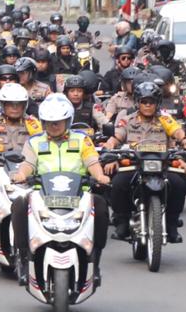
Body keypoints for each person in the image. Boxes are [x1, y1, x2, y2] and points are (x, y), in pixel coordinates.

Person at [11, 95, 112, 284]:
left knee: (100, 206)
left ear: (68, 120)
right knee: (19, 204)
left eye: (58, 122)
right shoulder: (34, 142)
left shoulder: (82, 139)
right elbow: (27, 164)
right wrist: (21, 175)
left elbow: (92, 161)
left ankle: (95, 262)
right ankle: (23, 258)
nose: (54, 126)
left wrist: (100, 176)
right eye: (49, 122)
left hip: (78, 193)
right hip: (42, 193)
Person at [103, 80, 186, 243]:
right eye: (144, 102)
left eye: (151, 102)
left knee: (180, 185)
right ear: (138, 102)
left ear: (157, 103)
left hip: (162, 165)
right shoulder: (127, 118)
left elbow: (178, 132)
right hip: (134, 163)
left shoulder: (165, 119)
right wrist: (110, 147)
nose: (147, 105)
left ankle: (172, 225)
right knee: (117, 183)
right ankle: (122, 222)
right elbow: (117, 136)